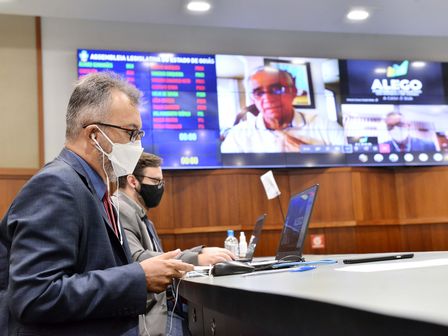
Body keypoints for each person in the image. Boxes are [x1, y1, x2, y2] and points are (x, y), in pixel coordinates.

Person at [0, 72, 193, 336]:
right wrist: (139, 277)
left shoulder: (94, 189)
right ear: (94, 135)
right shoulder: (57, 186)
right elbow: (35, 295)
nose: (138, 145)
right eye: (131, 133)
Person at [117, 152, 235, 336]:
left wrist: (200, 251)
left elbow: (159, 255)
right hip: (151, 317)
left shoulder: (139, 213)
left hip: (167, 307)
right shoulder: (121, 209)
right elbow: (138, 259)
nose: (160, 187)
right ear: (133, 181)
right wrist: (197, 258)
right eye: (156, 181)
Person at [221, 66, 344, 153]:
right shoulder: (238, 135)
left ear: (294, 91)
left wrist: (310, 152)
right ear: (252, 98)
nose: (268, 98)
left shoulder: (325, 126)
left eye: (277, 89)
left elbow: (352, 160)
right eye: (258, 92)